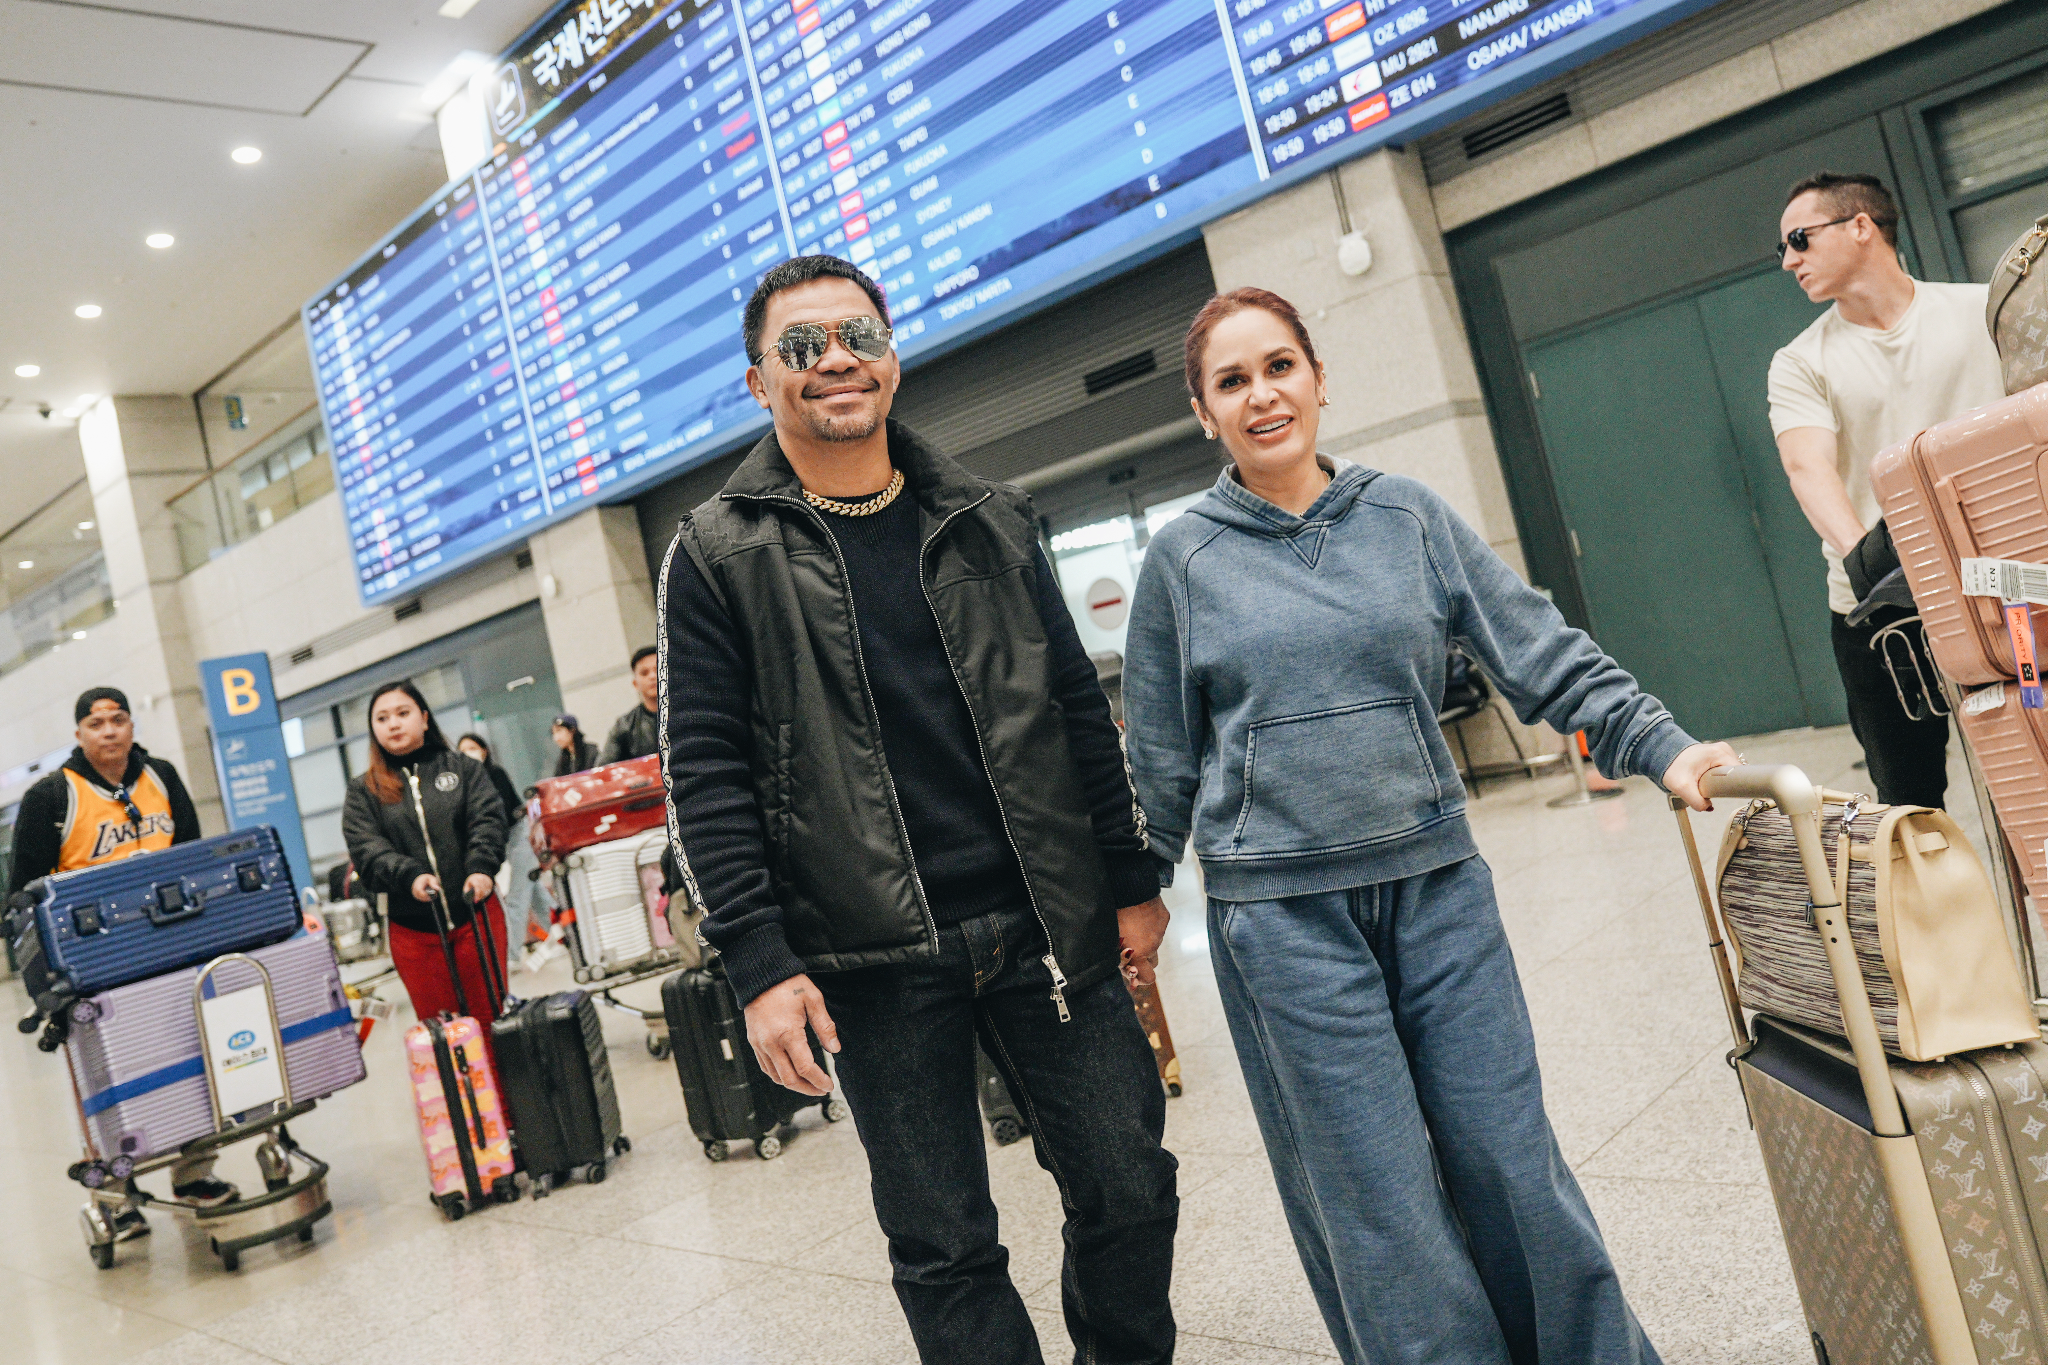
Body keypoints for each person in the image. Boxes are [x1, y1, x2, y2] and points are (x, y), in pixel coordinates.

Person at [1121, 288, 1740, 1365]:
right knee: (1377, 1202)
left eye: (1278, 367)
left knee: (1510, 1162)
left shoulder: (1405, 515)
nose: (1261, 394)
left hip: (1437, 893)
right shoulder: (1183, 560)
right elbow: (1159, 759)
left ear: (1317, 378)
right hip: (1281, 921)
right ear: (1201, 411)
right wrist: (1130, 904)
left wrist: (1660, 745)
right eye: (1232, 381)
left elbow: (1537, 650)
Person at [660, 255, 1178, 1365]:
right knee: (943, 1244)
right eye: (801, 346)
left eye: (857, 334)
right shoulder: (716, 551)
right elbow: (703, 770)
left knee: (1130, 1184)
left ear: (891, 358)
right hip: (868, 958)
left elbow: (1072, 707)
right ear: (759, 382)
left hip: (1043, 926)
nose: (834, 359)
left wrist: (1128, 881)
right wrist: (757, 960)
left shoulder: (990, 517)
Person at [1769, 170, 2006, 808]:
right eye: (1784, 248)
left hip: (2005, 585)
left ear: (1861, 227)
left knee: (2030, 759)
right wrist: (1867, 562)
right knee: (1908, 796)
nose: (1789, 260)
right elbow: (1807, 467)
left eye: (1800, 239)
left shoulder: (1983, 310)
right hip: (1879, 612)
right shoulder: (1801, 360)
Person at [9, 686, 235, 1224]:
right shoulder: (50, 796)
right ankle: (115, 1193)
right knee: (105, 1071)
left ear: (131, 725)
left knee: (190, 1054)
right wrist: (42, 981)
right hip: (92, 957)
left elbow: (193, 855)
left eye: (118, 720)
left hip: (172, 941)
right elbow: (20, 895)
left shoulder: (162, 777)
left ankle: (194, 1173)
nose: (109, 731)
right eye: (96, 723)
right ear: (79, 734)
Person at [342, 682, 509, 1054]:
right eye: (382, 718)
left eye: (403, 713)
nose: (393, 724)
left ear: (424, 717)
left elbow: (488, 820)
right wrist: (409, 875)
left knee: (492, 1023)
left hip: (476, 918)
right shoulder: (362, 792)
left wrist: (481, 867)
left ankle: (508, 1111)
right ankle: (460, 1112)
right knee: (440, 1035)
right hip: (413, 934)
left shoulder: (464, 770)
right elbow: (368, 851)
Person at [457, 732, 549, 960]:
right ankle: (567, 934)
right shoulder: (467, 784)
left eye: (472, 748)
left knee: (517, 898)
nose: (467, 754)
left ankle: (511, 957)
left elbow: (504, 813)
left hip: (518, 834)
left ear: (484, 750)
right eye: (462, 750)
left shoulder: (494, 774)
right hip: (504, 841)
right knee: (535, 891)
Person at [602, 646, 661, 763]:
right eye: (644, 673)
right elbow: (604, 769)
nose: (652, 676)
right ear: (635, 684)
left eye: (658, 669)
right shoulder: (624, 726)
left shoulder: (694, 713)